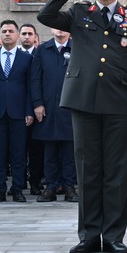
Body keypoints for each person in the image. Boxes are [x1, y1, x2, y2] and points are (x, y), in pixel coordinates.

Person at [39, 0, 127, 253]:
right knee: (87, 169)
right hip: (84, 100)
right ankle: (88, 235)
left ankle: (113, 235)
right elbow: (46, 17)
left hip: (120, 101)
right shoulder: (79, 11)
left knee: (116, 170)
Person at [0, 19, 39, 203]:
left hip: (19, 113)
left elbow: (32, 86)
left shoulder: (27, 58)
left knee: (19, 153)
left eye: (11, 31)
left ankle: (17, 189)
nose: (7, 34)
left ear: (17, 35)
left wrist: (30, 111)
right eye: (4, 31)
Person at [31, 24, 74, 202]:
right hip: (47, 108)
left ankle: (70, 186)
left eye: (64, 27)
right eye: (57, 27)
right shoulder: (42, 50)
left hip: (70, 108)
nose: (60, 30)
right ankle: (51, 186)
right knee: (50, 151)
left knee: (69, 150)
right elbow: (35, 78)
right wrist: (37, 103)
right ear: (51, 30)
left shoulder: (78, 48)